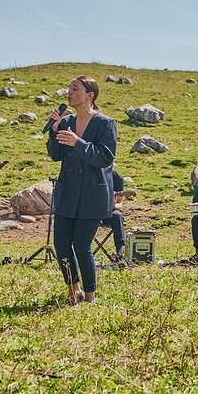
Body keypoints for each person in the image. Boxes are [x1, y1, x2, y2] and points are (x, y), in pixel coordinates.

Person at [45, 75, 118, 304]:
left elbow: (105, 158)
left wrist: (79, 143)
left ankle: (89, 296)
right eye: (69, 88)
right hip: (67, 193)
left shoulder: (106, 123)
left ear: (89, 95)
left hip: (93, 195)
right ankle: (72, 291)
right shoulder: (66, 123)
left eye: (75, 89)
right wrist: (53, 131)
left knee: (82, 244)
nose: (69, 92)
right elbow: (56, 156)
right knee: (62, 243)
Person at [102, 168, 128, 264]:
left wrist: (113, 204)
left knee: (118, 216)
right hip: (89, 211)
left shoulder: (117, 179)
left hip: (108, 212)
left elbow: (119, 204)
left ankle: (120, 254)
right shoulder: (91, 175)